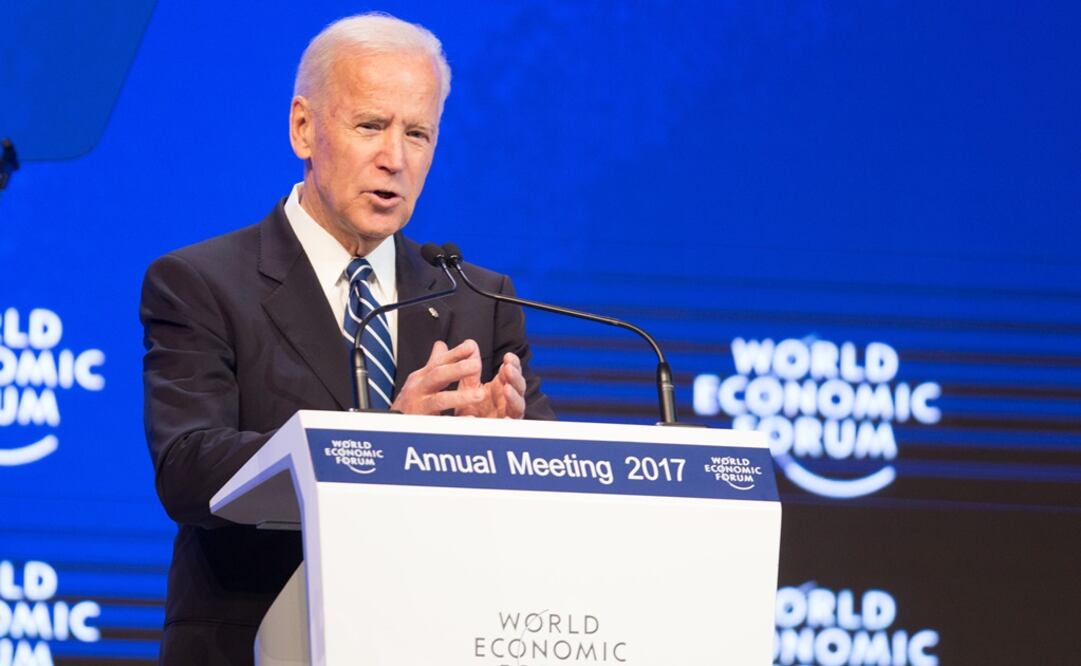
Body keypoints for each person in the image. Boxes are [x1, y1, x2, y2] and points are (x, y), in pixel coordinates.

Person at [140, 12, 553, 664]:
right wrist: (381, 442)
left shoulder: (478, 299)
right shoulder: (200, 283)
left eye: (417, 133)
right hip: (258, 642)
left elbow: (546, 502)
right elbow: (189, 469)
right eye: (370, 126)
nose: (395, 157)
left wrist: (509, 449)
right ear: (303, 127)